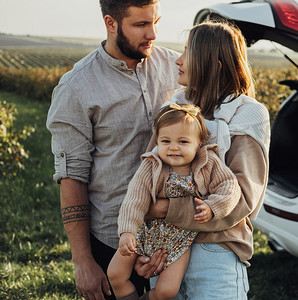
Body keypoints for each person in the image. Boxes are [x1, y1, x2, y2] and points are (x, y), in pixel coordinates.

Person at [46, 1, 181, 299]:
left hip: (171, 235)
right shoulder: (77, 87)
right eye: (141, 25)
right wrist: (83, 262)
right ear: (111, 23)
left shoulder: (178, 69)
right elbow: (72, 177)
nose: (153, 33)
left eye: (156, 21)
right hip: (110, 240)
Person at [135, 20, 271, 299]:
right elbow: (150, 175)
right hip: (166, 248)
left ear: (214, 65)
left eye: (188, 53)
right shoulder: (173, 109)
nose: (179, 60)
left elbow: (243, 198)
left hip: (215, 251)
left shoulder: (248, 115)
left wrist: (163, 209)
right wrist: (144, 245)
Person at [107, 103, 241, 300]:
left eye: (183, 142)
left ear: (199, 143)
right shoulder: (151, 165)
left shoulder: (208, 162)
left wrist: (213, 207)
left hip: (180, 238)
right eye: (166, 141)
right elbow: (134, 199)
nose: (173, 148)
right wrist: (128, 231)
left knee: (166, 291)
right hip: (145, 231)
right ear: (158, 141)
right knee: (115, 274)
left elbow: (230, 186)